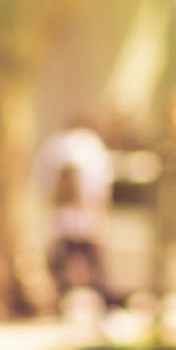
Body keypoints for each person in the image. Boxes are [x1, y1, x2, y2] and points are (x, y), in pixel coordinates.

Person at [33, 113, 116, 311]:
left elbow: (42, 182)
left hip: (62, 216)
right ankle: (103, 299)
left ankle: (59, 296)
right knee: (91, 259)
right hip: (85, 214)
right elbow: (101, 187)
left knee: (63, 258)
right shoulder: (93, 147)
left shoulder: (53, 145)